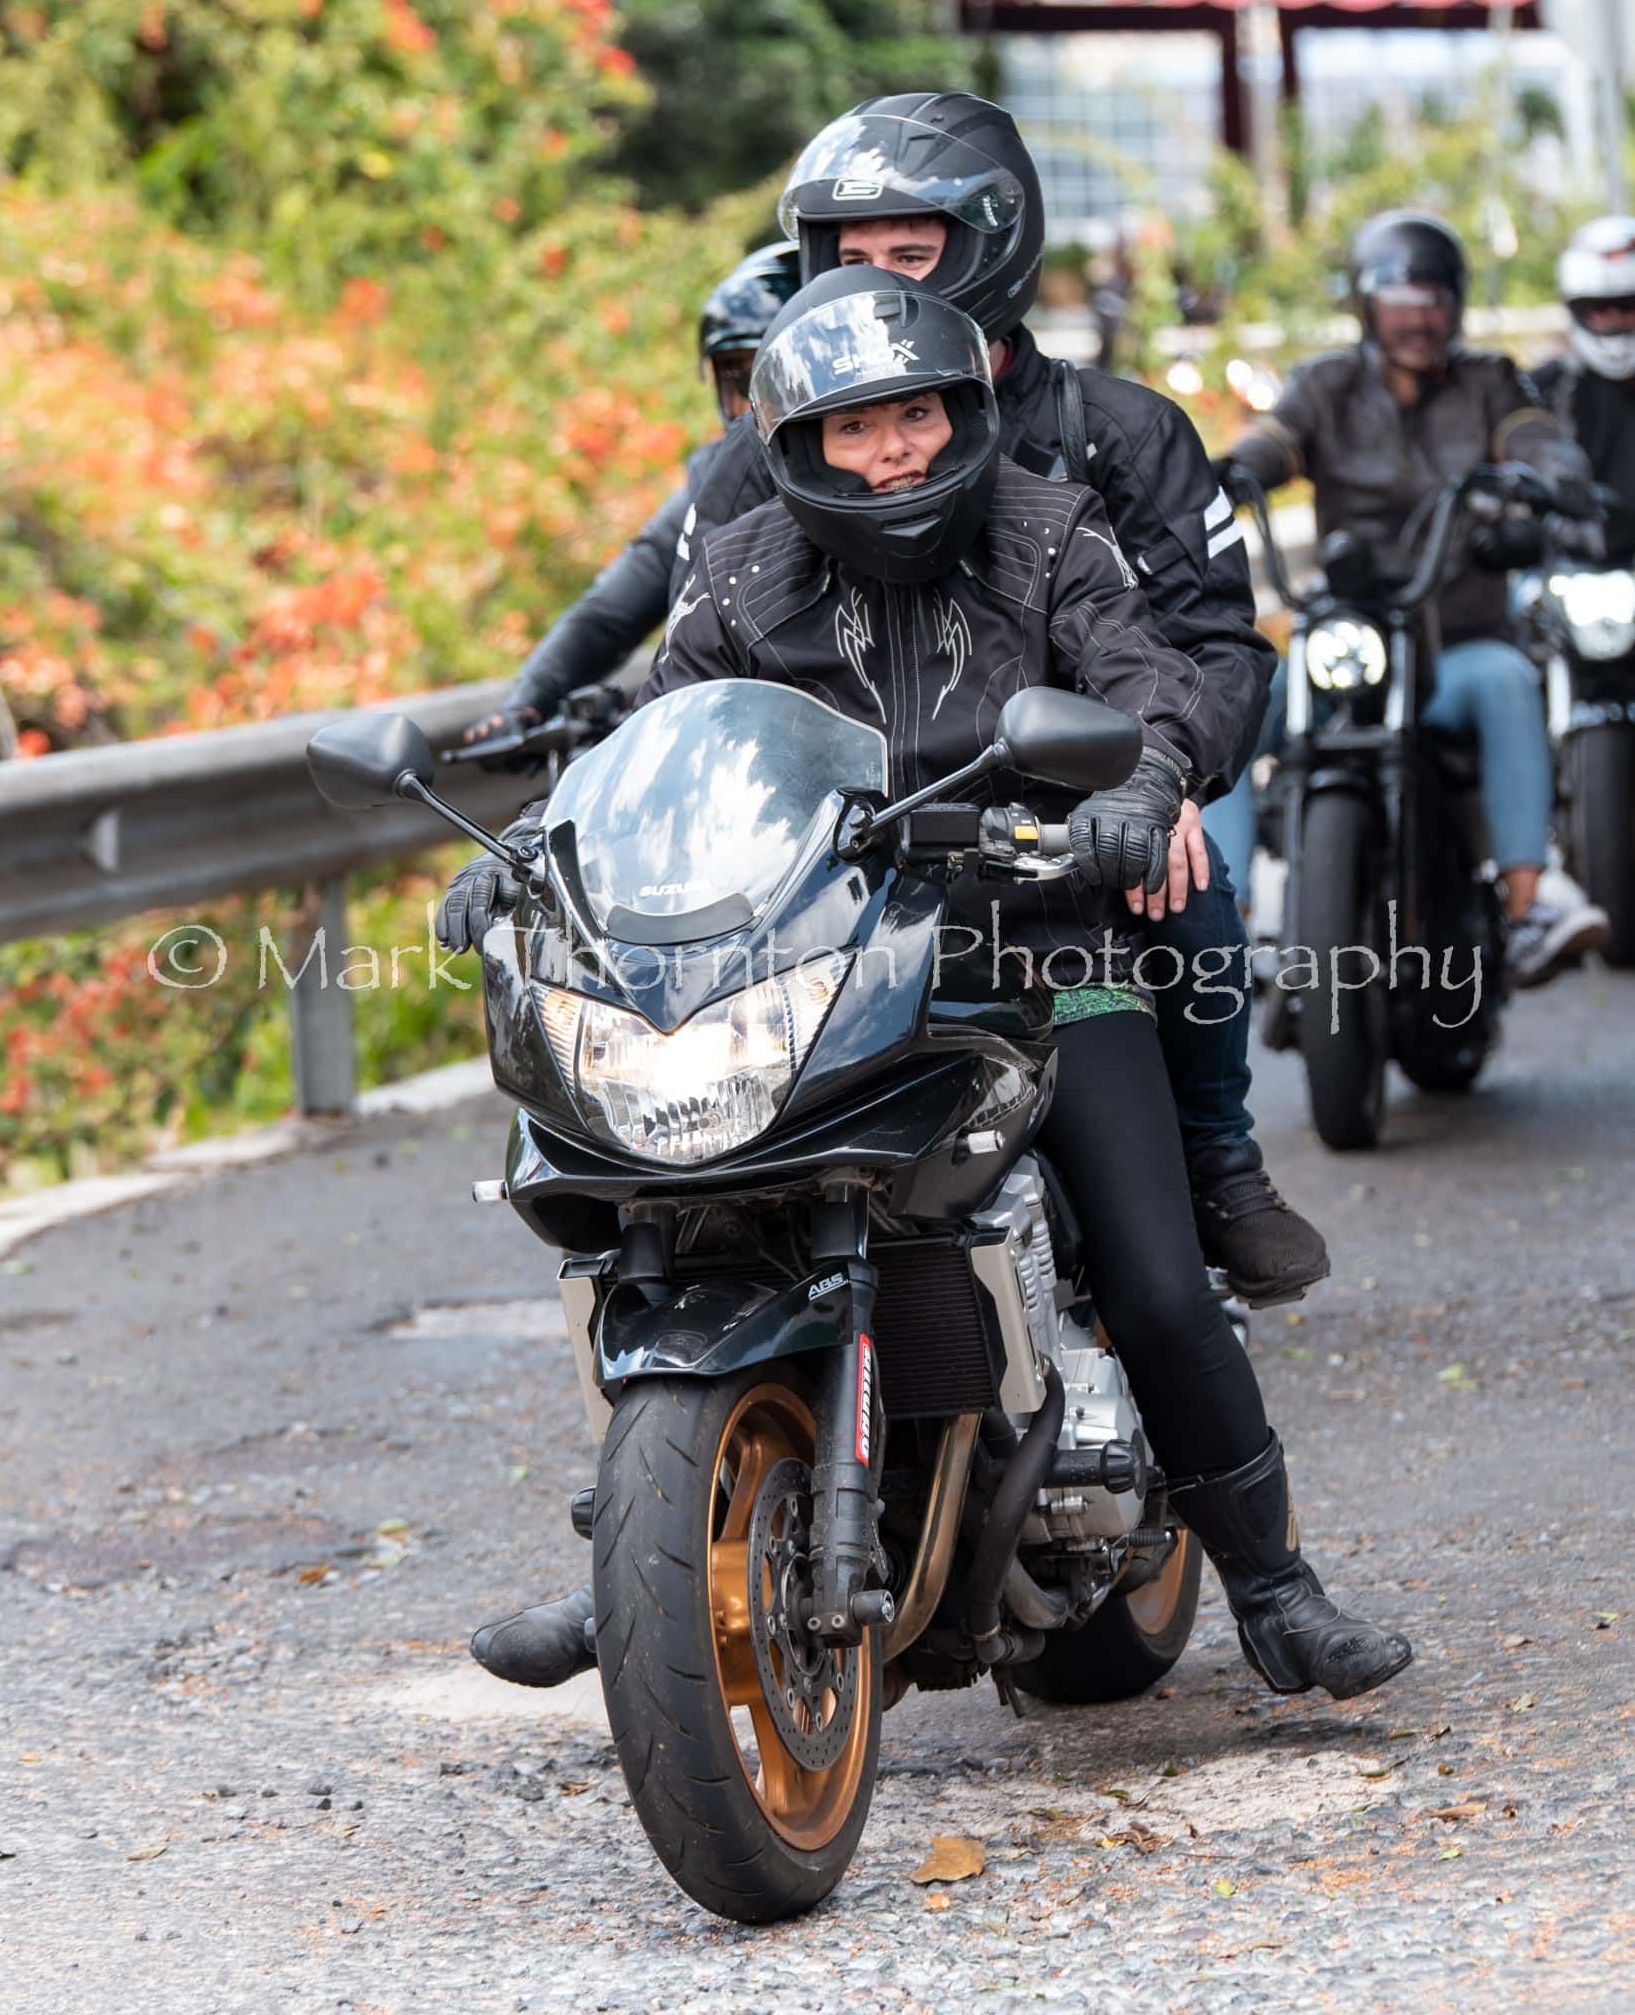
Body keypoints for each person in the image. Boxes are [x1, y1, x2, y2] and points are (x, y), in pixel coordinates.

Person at [446, 273, 1413, 1703]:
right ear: (796, 446)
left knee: (1154, 1278)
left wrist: (1140, 785)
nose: (894, 449)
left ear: (963, 409)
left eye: (915, 414)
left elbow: (1145, 682)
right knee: (673, 1207)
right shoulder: (735, 572)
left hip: (1039, 956)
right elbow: (656, 747)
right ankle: (639, 1561)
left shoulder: (1049, 532)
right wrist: (535, 852)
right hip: (818, 960)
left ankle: (1276, 1589)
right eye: (857, 429)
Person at [675, 92, 1326, 1308]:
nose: (877, 283)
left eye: (910, 257)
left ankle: (1217, 1162)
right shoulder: (754, 458)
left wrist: (1162, 776)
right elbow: (691, 679)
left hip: (1083, 800)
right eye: (849, 259)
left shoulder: (1121, 431)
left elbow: (1219, 650)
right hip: (842, 829)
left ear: (993, 246)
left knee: (1185, 876)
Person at [1215, 209, 1610, 988]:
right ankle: (1221, 922)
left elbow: (1534, 435)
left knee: (1506, 678)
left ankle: (1531, 904)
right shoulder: (1328, 386)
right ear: (1368, 307)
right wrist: (1223, 472)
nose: (1417, 320)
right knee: (1235, 700)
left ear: (1455, 306)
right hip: (1349, 639)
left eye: (1432, 301)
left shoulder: (1489, 381)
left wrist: (1552, 471)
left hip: (1454, 646)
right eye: (1399, 301)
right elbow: (1274, 441)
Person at [458, 243, 800, 754]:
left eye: (777, 379)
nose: (756, 407)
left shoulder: (886, 479)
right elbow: (610, 612)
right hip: (722, 750)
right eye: (739, 381)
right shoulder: (714, 483)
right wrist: (527, 704)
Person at [1534, 216, 1635, 562]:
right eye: (1600, 309)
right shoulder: (1543, 389)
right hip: (1574, 572)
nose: (1616, 319)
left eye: (1627, 306)